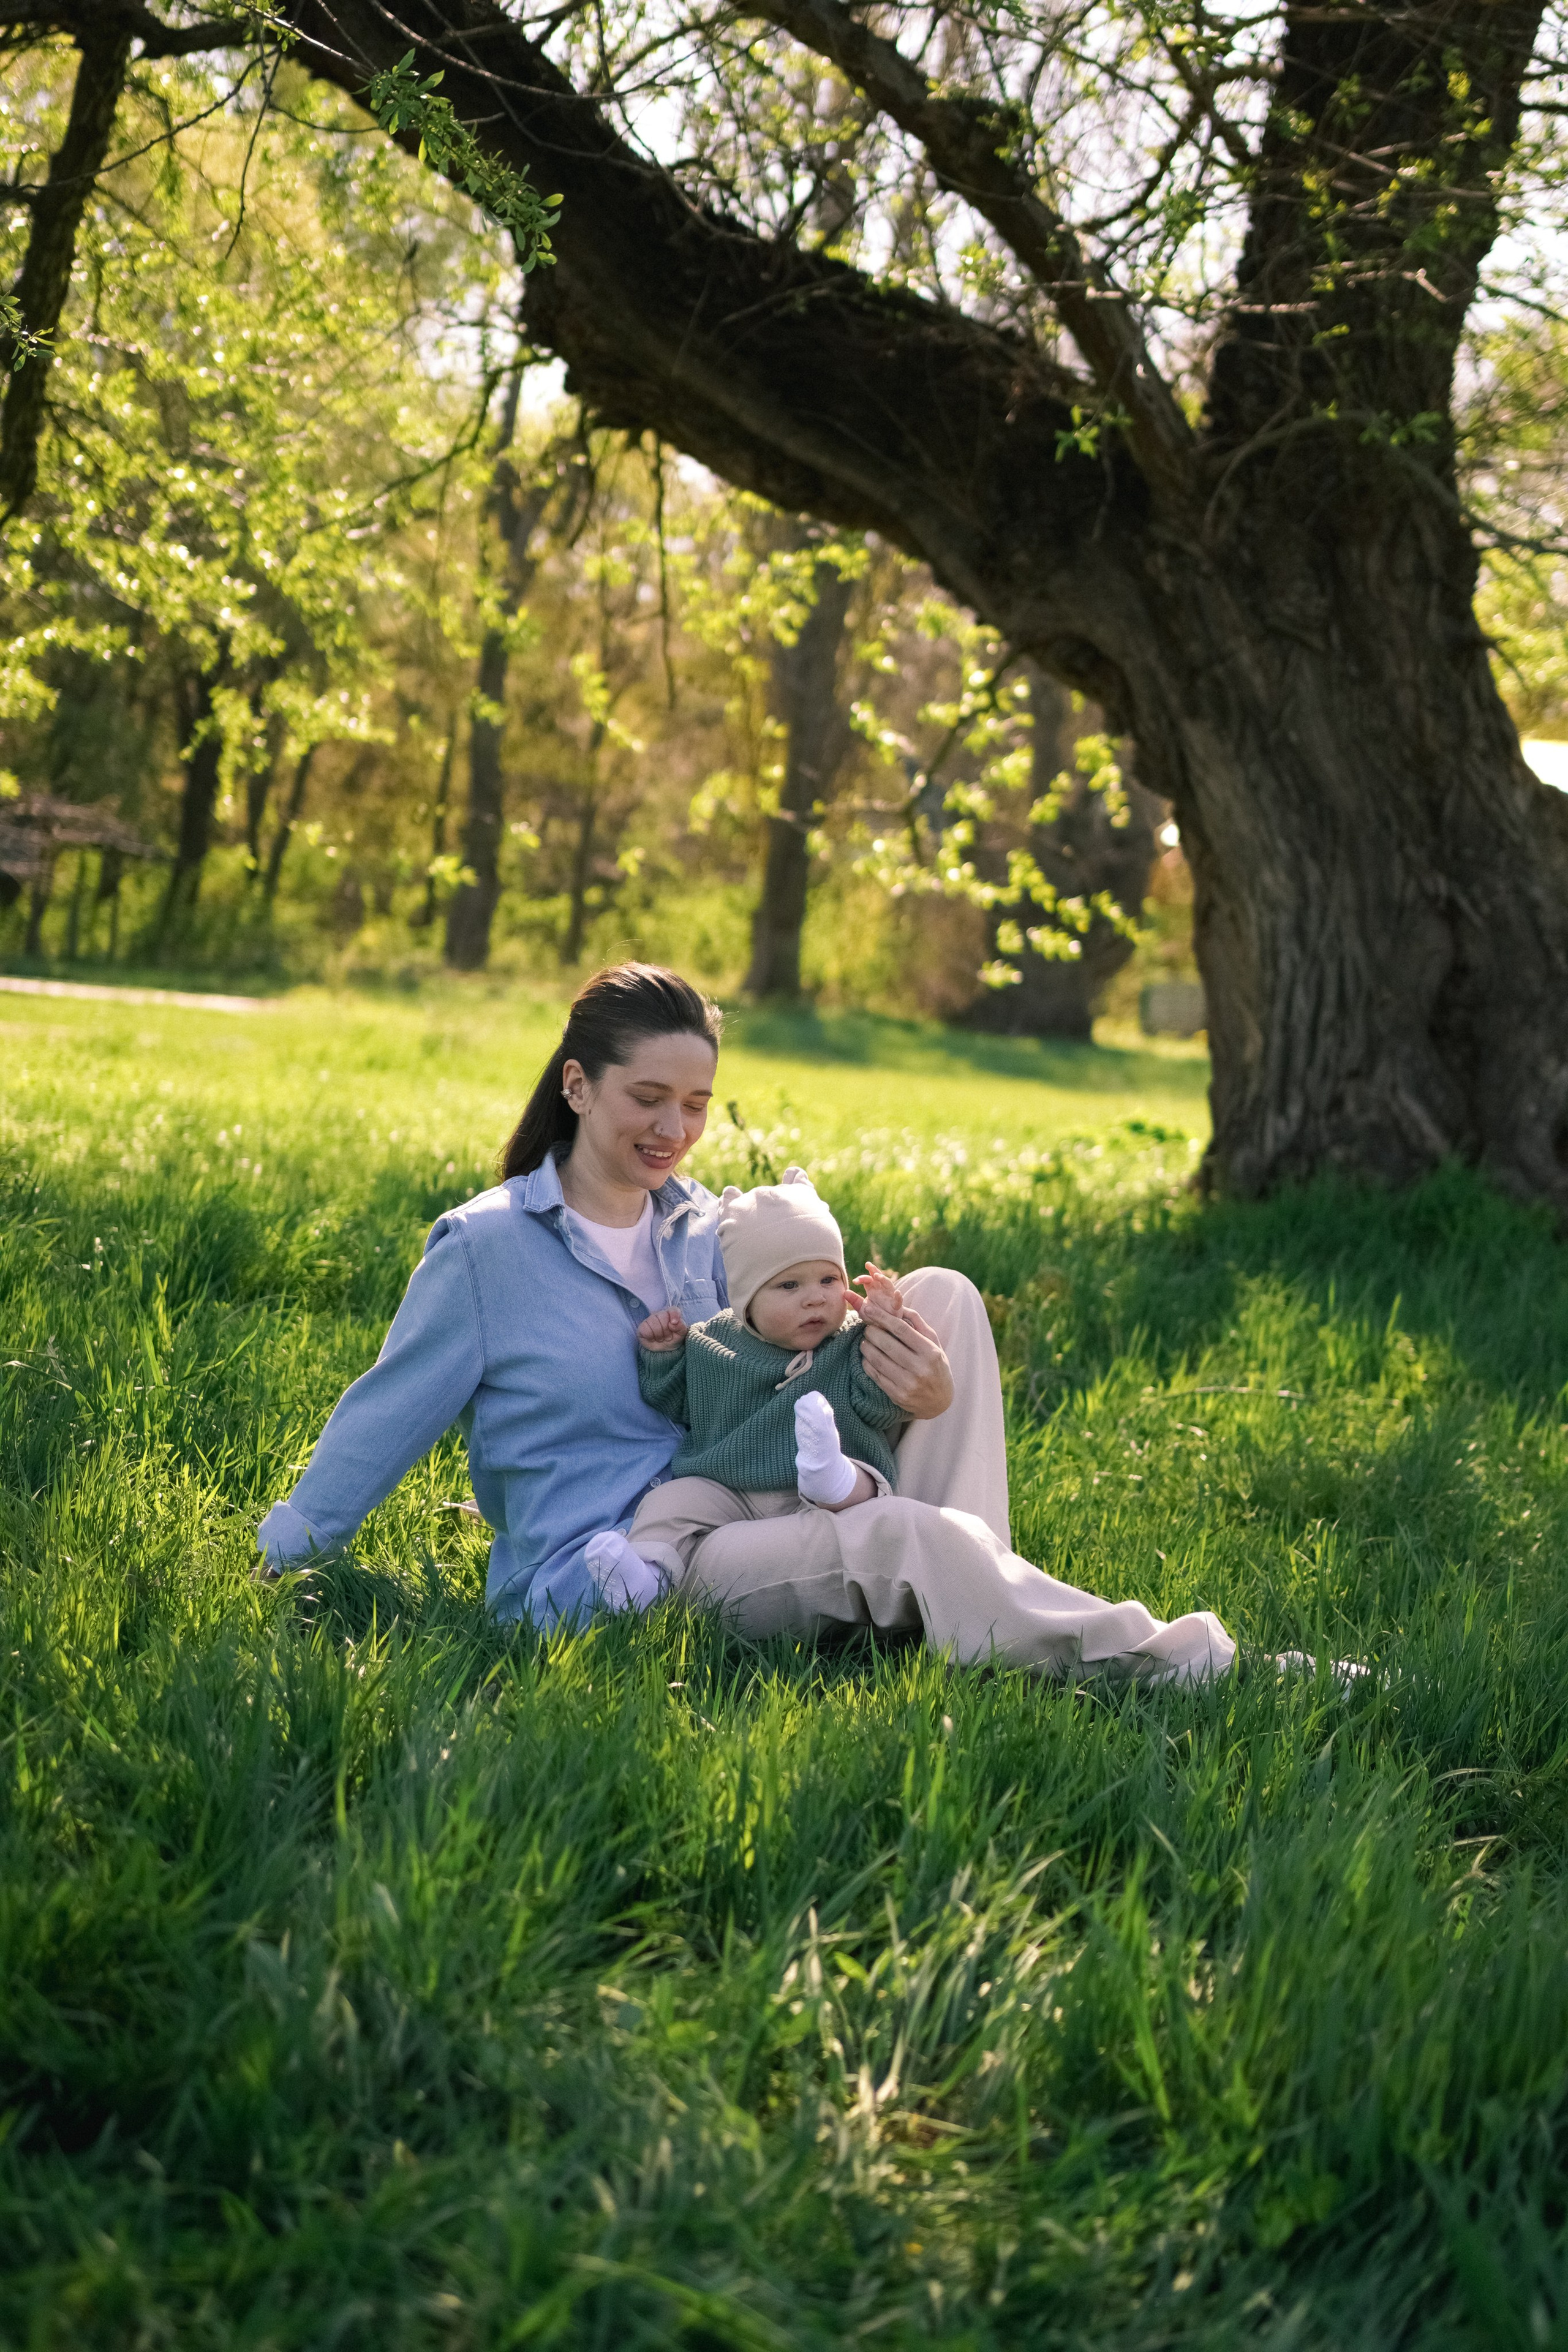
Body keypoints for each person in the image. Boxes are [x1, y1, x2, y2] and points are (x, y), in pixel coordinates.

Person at [257, 960, 1235, 1681]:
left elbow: (797, 1351)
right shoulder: (487, 1250)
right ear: (577, 1085)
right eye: (648, 1099)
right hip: (625, 1572)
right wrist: (283, 1558)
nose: (673, 1131)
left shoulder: (703, 1228)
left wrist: (926, 1388)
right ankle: (1170, 1659)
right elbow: (383, 1414)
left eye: (696, 1104)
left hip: (751, 1503)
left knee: (942, 1293)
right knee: (904, 1537)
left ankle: (970, 1615)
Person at [584, 1172, 920, 1607]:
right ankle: (646, 1580)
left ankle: (828, 1474)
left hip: (826, 1500)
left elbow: (881, 1407)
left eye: (828, 1280)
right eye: (789, 1285)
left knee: (865, 1483)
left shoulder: (852, 1342)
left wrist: (885, 1330)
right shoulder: (713, 1345)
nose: (815, 1298)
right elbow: (677, 1400)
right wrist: (664, 1354)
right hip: (732, 1491)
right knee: (669, 1502)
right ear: (745, 1298)